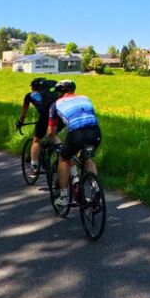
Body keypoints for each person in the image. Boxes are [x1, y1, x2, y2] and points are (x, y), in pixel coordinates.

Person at [48, 79, 101, 209]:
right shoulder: (85, 97)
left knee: (63, 159)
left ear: (60, 92)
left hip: (77, 133)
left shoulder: (55, 104)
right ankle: (96, 188)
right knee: (87, 158)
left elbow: (50, 132)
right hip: (95, 132)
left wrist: (50, 140)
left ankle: (64, 197)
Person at [17, 77, 58, 179]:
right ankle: (58, 153)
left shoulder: (30, 95)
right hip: (60, 115)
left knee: (36, 140)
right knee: (52, 135)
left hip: (46, 117)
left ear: (33, 88)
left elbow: (23, 115)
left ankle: (34, 168)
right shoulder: (52, 92)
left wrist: (20, 123)